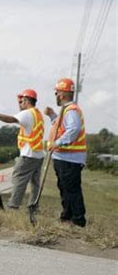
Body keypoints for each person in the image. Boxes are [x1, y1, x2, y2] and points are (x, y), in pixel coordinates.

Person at [0, 89, 45, 209]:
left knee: (19, 179)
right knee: (35, 183)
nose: (20, 103)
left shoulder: (27, 113)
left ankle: (13, 206)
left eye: (22, 101)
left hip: (29, 155)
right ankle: (33, 207)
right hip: (38, 154)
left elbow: (11, 119)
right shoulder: (37, 113)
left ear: (27, 101)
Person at [44, 78, 87, 227]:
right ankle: (67, 216)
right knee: (65, 188)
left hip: (70, 157)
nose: (55, 95)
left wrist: (57, 143)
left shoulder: (71, 110)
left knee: (71, 189)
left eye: (56, 92)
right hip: (63, 156)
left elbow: (73, 130)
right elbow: (60, 127)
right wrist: (52, 116)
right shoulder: (66, 111)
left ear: (61, 94)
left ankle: (78, 220)